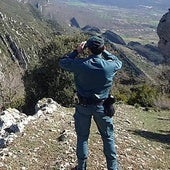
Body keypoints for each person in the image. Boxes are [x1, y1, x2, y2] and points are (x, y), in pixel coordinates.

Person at [59, 35, 122, 170]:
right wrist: (103, 51)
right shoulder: (110, 66)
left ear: (87, 49)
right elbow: (117, 61)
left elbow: (63, 62)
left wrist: (76, 51)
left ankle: (81, 167)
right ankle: (113, 167)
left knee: (82, 137)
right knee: (108, 137)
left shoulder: (80, 64)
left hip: (83, 106)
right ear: (103, 48)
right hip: (103, 107)